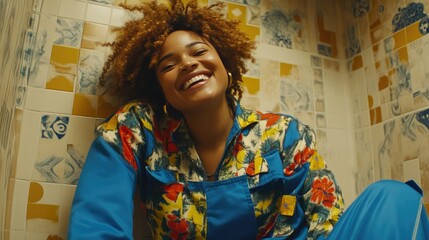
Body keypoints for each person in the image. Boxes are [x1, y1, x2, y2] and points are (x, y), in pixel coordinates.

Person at [68, 0, 429, 239]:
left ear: (225, 63)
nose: (188, 64)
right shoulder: (138, 129)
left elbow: (327, 226)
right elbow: (96, 224)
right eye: (168, 64)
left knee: (393, 198)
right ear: (158, 87)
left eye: (199, 51)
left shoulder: (284, 135)